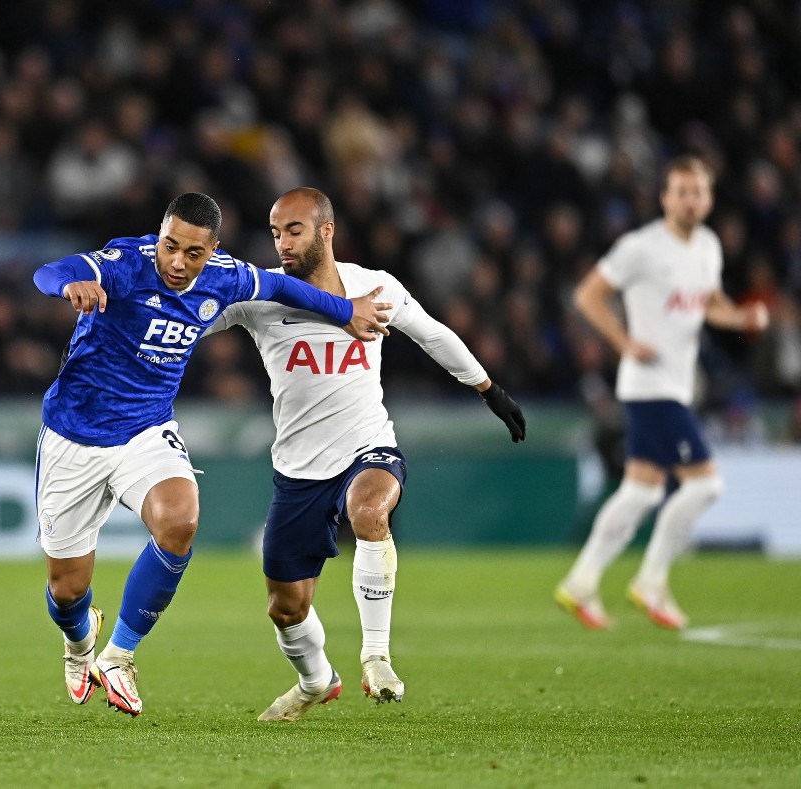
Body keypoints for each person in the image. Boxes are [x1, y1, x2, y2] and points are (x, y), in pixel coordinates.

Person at [32, 192, 390, 717]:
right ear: (159, 236)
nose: (178, 262)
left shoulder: (227, 276)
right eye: (170, 247)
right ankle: (79, 641)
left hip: (146, 431)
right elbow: (50, 270)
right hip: (74, 435)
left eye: (192, 253)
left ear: (212, 251)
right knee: (67, 591)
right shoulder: (127, 264)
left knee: (180, 520)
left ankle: (119, 655)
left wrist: (345, 311)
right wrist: (70, 282)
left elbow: (284, 287)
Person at [205, 188, 526, 722]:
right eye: (276, 232)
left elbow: (432, 334)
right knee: (286, 608)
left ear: (326, 231)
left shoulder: (374, 287)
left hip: (367, 445)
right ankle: (315, 681)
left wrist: (488, 388)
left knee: (369, 512)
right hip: (298, 470)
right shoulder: (259, 297)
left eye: (294, 231)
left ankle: (376, 656)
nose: (282, 243)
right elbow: (190, 322)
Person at [555, 156, 769, 631]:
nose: (691, 200)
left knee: (641, 492)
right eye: (682, 191)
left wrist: (742, 318)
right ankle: (651, 580)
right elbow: (588, 294)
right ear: (665, 197)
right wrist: (625, 342)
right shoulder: (642, 247)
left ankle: (581, 581)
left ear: (709, 198)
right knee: (706, 483)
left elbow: (710, 305)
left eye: (699, 192)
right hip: (650, 387)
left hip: (675, 386)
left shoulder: (709, 247)